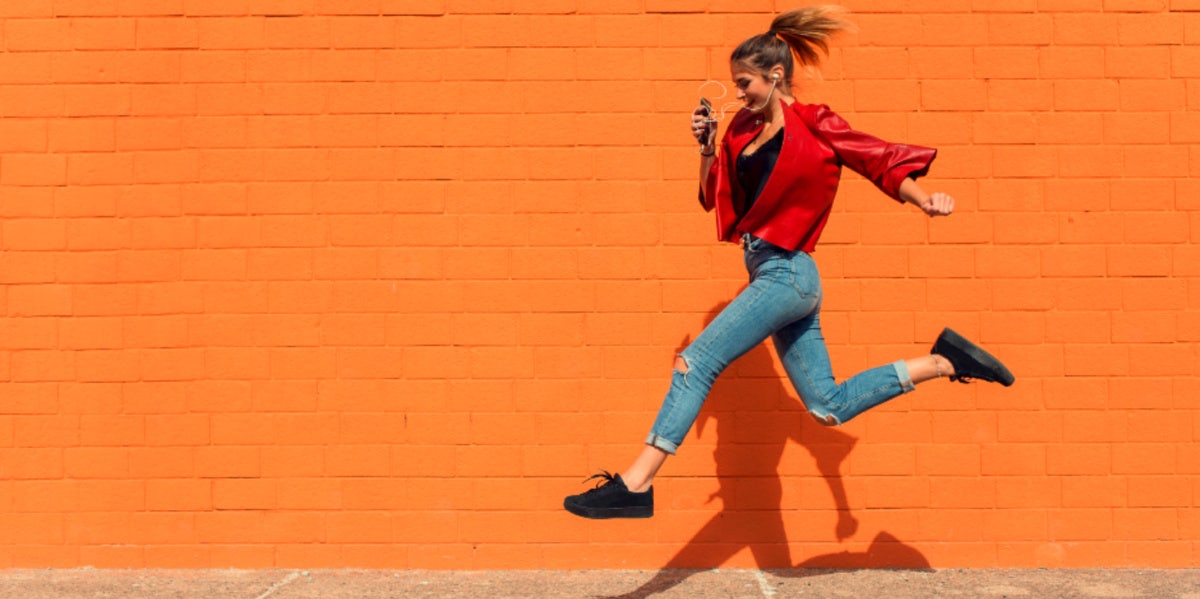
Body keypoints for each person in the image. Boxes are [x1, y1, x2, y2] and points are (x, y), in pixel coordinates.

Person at [564, 5, 1014, 520]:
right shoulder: (739, 132)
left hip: (788, 271)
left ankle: (636, 483)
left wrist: (925, 198)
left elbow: (876, 159)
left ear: (775, 76)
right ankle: (945, 361)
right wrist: (708, 149)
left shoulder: (816, 123)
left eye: (744, 82)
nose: (738, 93)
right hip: (772, 273)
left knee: (696, 363)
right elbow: (710, 199)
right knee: (829, 405)